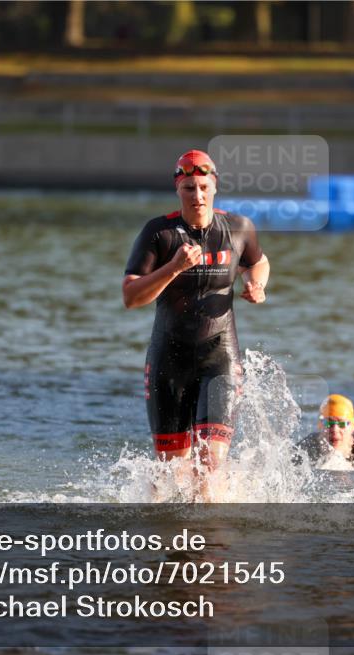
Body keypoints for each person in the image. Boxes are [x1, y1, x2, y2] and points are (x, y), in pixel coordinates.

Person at [123, 149, 270, 501]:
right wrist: (172, 268)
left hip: (219, 358)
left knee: (210, 465)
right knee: (170, 477)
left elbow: (259, 262)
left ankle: (210, 547)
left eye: (203, 186)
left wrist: (257, 283)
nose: (198, 196)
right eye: (189, 187)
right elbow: (131, 297)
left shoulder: (239, 228)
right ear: (178, 189)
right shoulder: (159, 234)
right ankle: (173, 545)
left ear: (215, 187)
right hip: (168, 361)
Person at [296, 394, 354, 471]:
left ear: (352, 427)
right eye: (329, 423)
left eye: (342, 424)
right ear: (320, 426)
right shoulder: (309, 445)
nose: (334, 429)